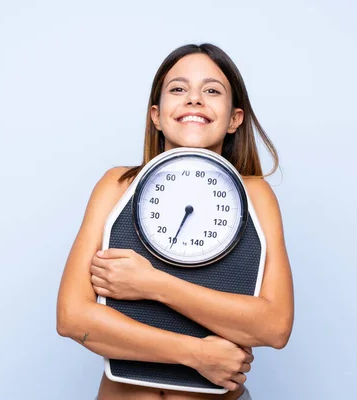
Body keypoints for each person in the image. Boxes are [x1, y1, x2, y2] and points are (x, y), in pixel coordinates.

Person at [56, 43, 294, 400]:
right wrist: (196, 354)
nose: (194, 99)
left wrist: (152, 283)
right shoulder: (117, 186)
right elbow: (72, 317)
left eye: (212, 90)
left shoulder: (255, 195)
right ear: (156, 114)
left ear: (234, 118)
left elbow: (274, 326)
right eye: (178, 89)